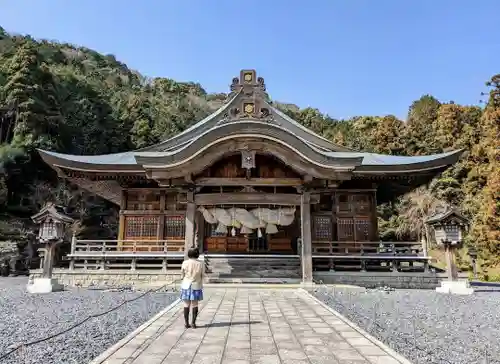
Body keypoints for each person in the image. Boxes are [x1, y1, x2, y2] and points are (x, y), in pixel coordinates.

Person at [180, 248, 204, 328]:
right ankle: (193, 323)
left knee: (186, 304)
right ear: (197, 254)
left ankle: (186, 323)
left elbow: (182, 274)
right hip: (196, 285)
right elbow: (202, 275)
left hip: (186, 285)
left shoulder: (185, 262)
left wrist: (183, 278)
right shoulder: (200, 263)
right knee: (195, 304)